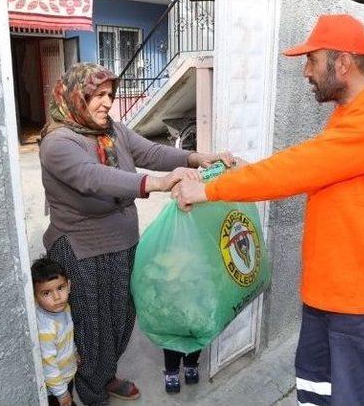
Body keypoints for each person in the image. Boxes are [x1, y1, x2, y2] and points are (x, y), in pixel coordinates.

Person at [172, 14, 364, 406]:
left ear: (342, 64)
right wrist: (250, 173)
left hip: (359, 297)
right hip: (328, 290)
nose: (306, 71)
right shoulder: (349, 114)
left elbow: (302, 167)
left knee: (354, 396)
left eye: (312, 60)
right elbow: (319, 169)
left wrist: (209, 190)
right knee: (316, 386)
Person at [39, 62, 233, 405]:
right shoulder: (57, 143)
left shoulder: (111, 131)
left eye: (109, 95)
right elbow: (93, 177)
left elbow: (151, 151)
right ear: (74, 97)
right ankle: (92, 390)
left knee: (122, 317)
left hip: (124, 242)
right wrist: (155, 183)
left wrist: (198, 157)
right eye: (96, 95)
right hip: (83, 249)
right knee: (90, 327)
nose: (106, 103)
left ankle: (106, 374)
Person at [32, 257, 77, 406]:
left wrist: (74, 352)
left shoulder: (65, 309)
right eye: (46, 293)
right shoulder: (45, 329)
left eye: (60, 288)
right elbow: (47, 364)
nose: (57, 297)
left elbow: (68, 335)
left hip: (66, 375)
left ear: (68, 286)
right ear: (35, 297)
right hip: (55, 387)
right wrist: (62, 394)